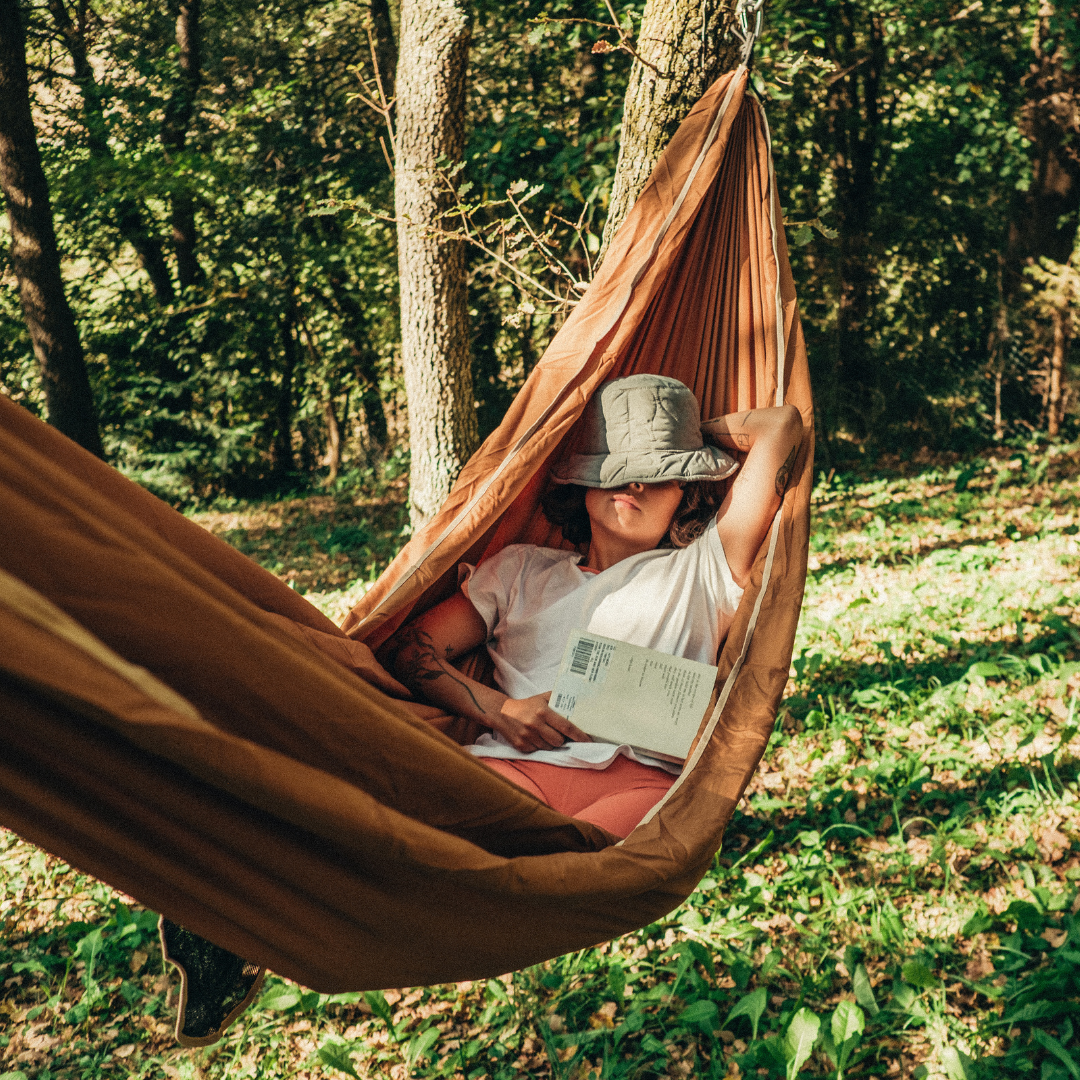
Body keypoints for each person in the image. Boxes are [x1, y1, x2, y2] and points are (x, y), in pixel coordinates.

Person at [386, 374, 802, 838]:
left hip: (640, 786)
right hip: (513, 768)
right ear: (584, 484)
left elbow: (781, 426)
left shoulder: (704, 569)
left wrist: (684, 434)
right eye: (618, 465)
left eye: (659, 471)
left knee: (569, 871)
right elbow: (411, 648)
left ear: (687, 492)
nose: (636, 482)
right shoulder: (519, 570)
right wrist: (500, 710)